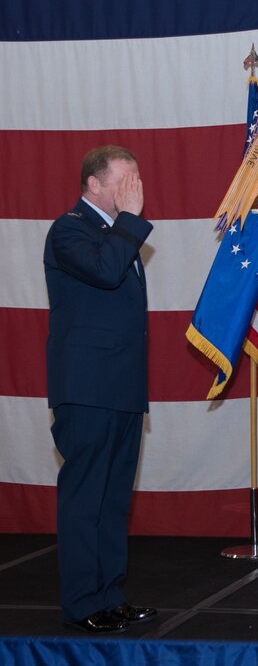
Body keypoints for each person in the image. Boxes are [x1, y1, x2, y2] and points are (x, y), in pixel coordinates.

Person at [44, 145, 157, 634]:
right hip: (87, 388)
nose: (134, 189)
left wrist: (126, 223)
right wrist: (131, 219)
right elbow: (106, 272)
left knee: (113, 499)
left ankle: (109, 594)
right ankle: (82, 601)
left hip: (123, 388)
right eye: (124, 180)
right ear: (94, 184)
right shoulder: (69, 229)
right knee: (86, 496)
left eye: (136, 179)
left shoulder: (116, 234)